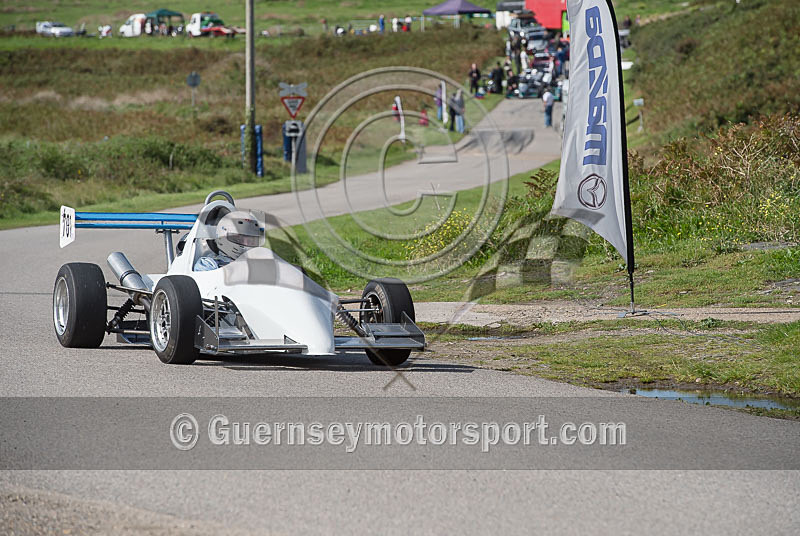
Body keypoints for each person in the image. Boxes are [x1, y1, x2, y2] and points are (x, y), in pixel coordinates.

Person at [194, 211, 265, 271]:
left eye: (251, 241)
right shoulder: (208, 264)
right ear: (222, 238)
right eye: (239, 239)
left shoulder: (260, 263)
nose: (246, 244)